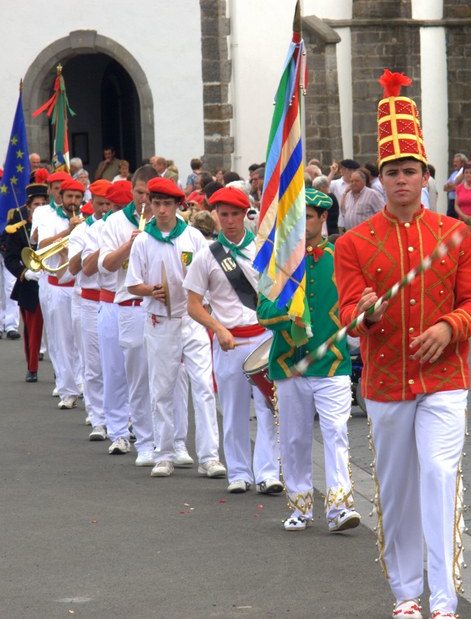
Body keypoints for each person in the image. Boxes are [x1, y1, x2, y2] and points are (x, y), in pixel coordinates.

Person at [335, 70, 471, 619]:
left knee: (439, 476)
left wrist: (450, 327)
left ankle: (445, 601)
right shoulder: (352, 242)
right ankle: (405, 595)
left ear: (426, 176)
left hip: (446, 379)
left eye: (410, 171)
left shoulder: (456, 234)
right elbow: (347, 308)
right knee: (398, 488)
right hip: (384, 383)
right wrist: (364, 312)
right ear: (382, 179)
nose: (402, 180)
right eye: (392, 173)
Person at [257, 188, 360, 532]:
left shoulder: (340, 258)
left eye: (309, 219)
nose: (302, 226)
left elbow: (354, 305)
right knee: (295, 438)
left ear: (322, 219)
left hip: (332, 362)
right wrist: (289, 312)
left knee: (335, 431)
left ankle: (339, 506)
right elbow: (263, 312)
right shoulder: (277, 263)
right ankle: (300, 506)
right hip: (288, 363)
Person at [184, 186, 282, 495]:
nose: (229, 221)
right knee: (234, 409)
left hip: (265, 339)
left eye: (235, 214)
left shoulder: (266, 249)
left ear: (246, 214)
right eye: (223, 214)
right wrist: (217, 328)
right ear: (216, 215)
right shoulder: (206, 256)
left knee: (270, 408)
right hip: (229, 343)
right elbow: (193, 303)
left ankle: (268, 472)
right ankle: (239, 472)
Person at [126, 177, 225, 477]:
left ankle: (209, 457)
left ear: (177, 206)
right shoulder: (143, 240)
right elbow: (132, 284)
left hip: (192, 320)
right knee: (162, 388)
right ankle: (164, 452)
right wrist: (150, 290)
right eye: (156, 204)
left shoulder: (193, 237)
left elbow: (209, 274)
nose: (161, 210)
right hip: (159, 321)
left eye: (167, 204)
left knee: (204, 387)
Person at [98, 175, 159, 462]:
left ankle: (160, 438)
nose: (144, 200)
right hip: (127, 303)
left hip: (157, 304)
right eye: (139, 192)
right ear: (133, 190)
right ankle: (120, 432)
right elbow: (106, 266)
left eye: (149, 194)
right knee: (123, 374)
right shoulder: (114, 222)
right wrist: (129, 244)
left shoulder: (164, 218)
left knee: (158, 375)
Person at [67, 179, 114, 440]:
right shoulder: (81, 231)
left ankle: (121, 416)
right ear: (91, 202)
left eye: (109, 203)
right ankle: (98, 418)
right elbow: (76, 269)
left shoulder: (118, 226)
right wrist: (99, 248)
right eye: (100, 203)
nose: (105, 208)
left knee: (117, 363)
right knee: (93, 364)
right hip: (89, 299)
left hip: (114, 299)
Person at [35, 177, 85, 409]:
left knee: (81, 341)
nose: (73, 202)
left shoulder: (87, 218)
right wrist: (68, 231)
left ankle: (82, 382)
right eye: (69, 197)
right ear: (61, 197)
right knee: (61, 340)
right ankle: (67, 390)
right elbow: (43, 246)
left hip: (79, 287)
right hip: (56, 285)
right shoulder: (48, 217)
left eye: (77, 197)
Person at [3, 184, 48, 381]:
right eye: (36, 204)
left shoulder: (53, 225)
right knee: (32, 328)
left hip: (54, 281)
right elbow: (10, 258)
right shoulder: (19, 227)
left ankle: (61, 372)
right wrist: (25, 272)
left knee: (58, 331)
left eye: (43, 204)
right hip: (30, 283)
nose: (39, 207)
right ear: (28, 206)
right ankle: (32, 367)